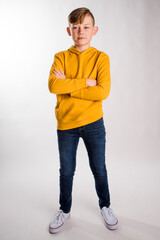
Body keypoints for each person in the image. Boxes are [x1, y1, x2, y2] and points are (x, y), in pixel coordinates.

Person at [48, 7, 118, 233]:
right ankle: (64, 210)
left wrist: (69, 85)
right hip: (66, 125)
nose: (81, 32)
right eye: (76, 27)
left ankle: (105, 205)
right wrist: (85, 82)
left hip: (93, 123)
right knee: (66, 171)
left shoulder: (101, 58)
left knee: (99, 168)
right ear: (69, 31)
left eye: (85, 27)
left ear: (94, 30)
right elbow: (53, 85)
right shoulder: (60, 57)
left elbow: (102, 92)